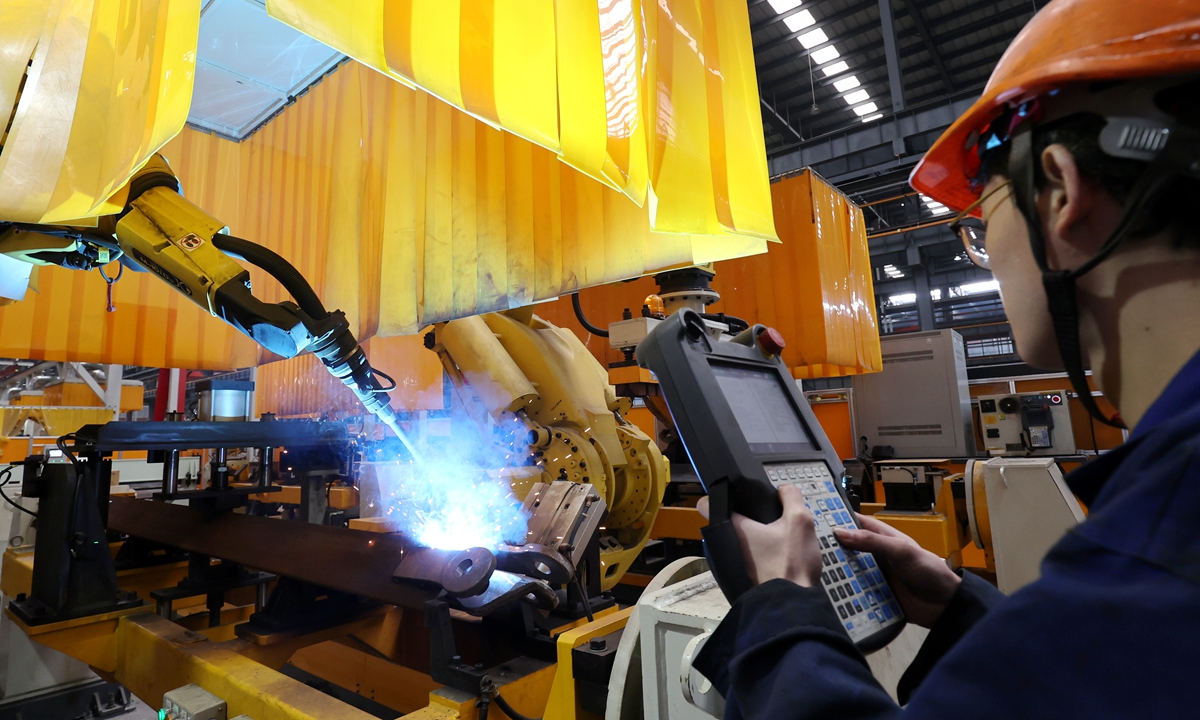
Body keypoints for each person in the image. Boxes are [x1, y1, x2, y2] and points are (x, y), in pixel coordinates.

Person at [691, 2, 1200, 717]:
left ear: (1059, 191)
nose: (987, 254)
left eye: (981, 222)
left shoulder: (1156, 547)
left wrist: (784, 609)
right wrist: (964, 607)